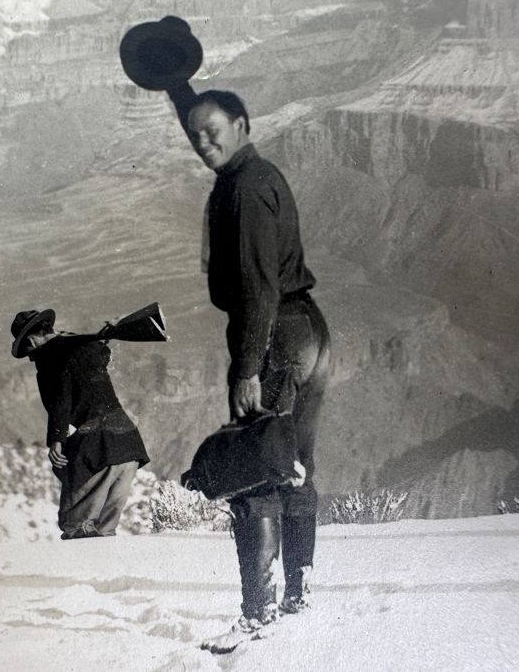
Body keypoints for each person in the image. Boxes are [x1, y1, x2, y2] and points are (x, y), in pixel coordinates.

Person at [174, 89, 332, 649]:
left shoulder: (244, 188)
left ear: (242, 124)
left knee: (254, 468)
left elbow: (258, 287)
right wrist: (175, 81)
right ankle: (298, 592)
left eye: (212, 129)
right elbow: (201, 117)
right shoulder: (255, 172)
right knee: (294, 463)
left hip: (271, 336)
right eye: (194, 133)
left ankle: (257, 613)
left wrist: (247, 368)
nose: (202, 140)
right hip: (308, 331)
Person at [11, 309, 150, 540]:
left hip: (100, 445)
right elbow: (101, 355)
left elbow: (60, 399)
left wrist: (56, 440)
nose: (30, 357)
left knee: (75, 526)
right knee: (104, 530)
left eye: (27, 350)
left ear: (31, 340)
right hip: (128, 444)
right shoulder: (83, 346)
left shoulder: (50, 357)